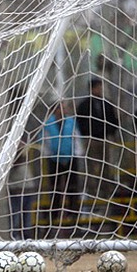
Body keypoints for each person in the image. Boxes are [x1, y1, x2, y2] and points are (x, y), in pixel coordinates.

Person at [75, 78, 119, 208]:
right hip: (91, 140)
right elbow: (80, 121)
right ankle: (93, 192)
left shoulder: (106, 104)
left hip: (104, 139)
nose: (99, 90)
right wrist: (87, 134)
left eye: (100, 87)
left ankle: (106, 191)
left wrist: (109, 132)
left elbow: (114, 120)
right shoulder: (84, 105)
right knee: (92, 167)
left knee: (106, 166)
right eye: (97, 87)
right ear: (92, 89)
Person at [41, 101, 82, 232]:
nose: (64, 110)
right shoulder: (48, 124)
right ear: (55, 110)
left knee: (73, 189)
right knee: (55, 191)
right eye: (62, 108)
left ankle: (75, 220)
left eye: (65, 107)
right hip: (54, 159)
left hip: (70, 158)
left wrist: (78, 154)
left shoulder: (71, 122)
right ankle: (52, 221)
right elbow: (45, 141)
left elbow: (76, 138)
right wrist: (47, 156)